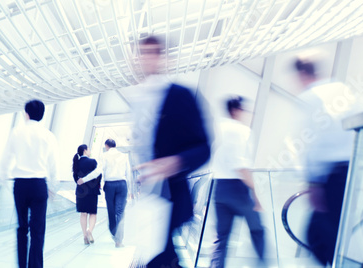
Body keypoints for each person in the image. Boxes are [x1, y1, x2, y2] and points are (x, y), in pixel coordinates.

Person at [130, 36, 212, 267]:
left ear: (163, 58)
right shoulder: (137, 98)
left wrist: (175, 162)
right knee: (160, 258)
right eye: (143, 53)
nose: (148, 59)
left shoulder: (180, 96)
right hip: (149, 197)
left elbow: (204, 147)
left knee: (160, 259)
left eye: (154, 52)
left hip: (172, 197)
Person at [294, 55, 363, 266]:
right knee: (343, 230)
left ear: (302, 74)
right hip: (354, 171)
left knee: (318, 234)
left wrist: (312, 182)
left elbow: (311, 142)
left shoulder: (310, 97)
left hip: (331, 176)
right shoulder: (342, 90)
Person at [0, 99, 60, 268]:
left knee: (22, 228)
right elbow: (53, 164)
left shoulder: (16, 132)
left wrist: (5, 181)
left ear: (26, 114)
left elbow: (5, 159)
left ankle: (21, 265)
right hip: (39, 185)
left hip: (20, 185)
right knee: (38, 230)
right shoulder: (48, 135)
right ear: (42, 115)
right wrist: (53, 186)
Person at [210, 96, 265, 268]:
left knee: (223, 237)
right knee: (257, 230)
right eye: (244, 110)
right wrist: (256, 196)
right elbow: (241, 166)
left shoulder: (217, 129)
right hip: (237, 188)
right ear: (236, 110)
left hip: (218, 187)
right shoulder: (241, 130)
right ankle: (263, 264)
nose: (245, 114)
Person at [82, 139, 131, 247]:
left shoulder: (104, 156)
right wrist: (130, 190)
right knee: (120, 212)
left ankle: (114, 234)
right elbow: (128, 174)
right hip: (122, 184)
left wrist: (84, 179)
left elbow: (97, 172)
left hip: (109, 185)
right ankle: (119, 240)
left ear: (106, 146)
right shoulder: (124, 156)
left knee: (111, 211)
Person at [73, 144, 102, 245]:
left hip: (81, 191)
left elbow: (75, 178)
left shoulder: (76, 162)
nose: (90, 151)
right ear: (85, 150)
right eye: (89, 149)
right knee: (92, 213)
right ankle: (89, 231)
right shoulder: (92, 161)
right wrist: (98, 185)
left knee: (83, 214)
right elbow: (98, 175)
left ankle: (84, 235)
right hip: (92, 191)